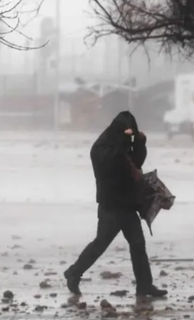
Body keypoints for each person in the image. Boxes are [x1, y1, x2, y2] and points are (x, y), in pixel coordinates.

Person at [63, 111, 168, 298]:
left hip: (128, 204)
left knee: (138, 245)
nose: (127, 136)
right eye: (125, 132)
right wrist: (125, 142)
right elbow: (111, 165)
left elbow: (137, 162)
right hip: (111, 205)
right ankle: (74, 272)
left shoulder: (123, 143)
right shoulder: (101, 148)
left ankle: (144, 286)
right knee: (100, 244)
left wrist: (139, 142)